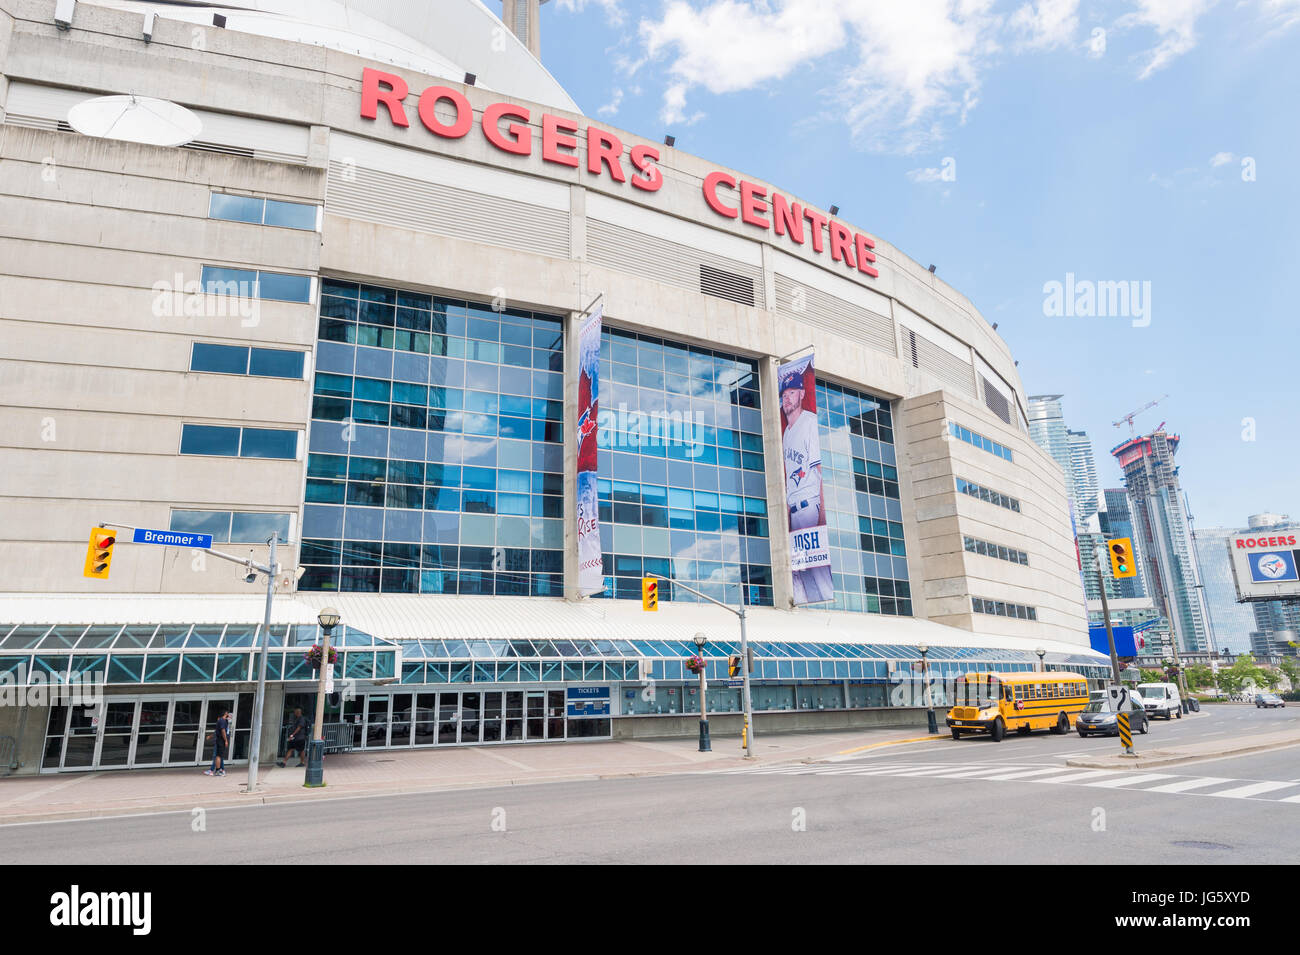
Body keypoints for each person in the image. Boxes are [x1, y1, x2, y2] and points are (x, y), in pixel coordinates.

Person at [780, 368, 833, 604]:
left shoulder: (809, 422)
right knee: (797, 571)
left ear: (801, 393)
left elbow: (819, 470)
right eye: (784, 393)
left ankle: (830, 619)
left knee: (818, 569)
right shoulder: (786, 434)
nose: (787, 397)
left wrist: (821, 513)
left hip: (808, 506)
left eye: (792, 392)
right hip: (793, 512)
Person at [203, 709, 230, 777]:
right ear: (225, 713)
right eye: (228, 713)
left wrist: (225, 740)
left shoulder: (224, 721)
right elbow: (221, 731)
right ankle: (219, 770)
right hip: (220, 740)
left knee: (218, 756)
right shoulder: (222, 721)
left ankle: (215, 770)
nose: (229, 715)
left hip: (220, 740)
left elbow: (222, 731)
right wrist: (225, 740)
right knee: (218, 756)